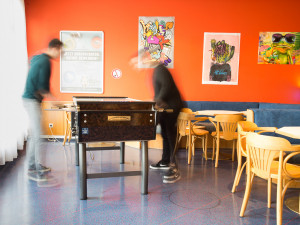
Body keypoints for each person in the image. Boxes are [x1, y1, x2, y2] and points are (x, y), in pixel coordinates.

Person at [130, 51, 185, 183]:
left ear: (147, 58)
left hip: (172, 107)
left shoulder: (160, 69)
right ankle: (165, 161)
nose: (137, 65)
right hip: (165, 107)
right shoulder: (157, 70)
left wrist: (157, 100)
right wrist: (156, 100)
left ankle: (175, 169)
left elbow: (166, 87)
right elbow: (161, 90)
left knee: (170, 136)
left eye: (137, 62)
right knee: (165, 135)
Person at [22, 38, 63, 183]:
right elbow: (43, 88)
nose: (60, 55)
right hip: (31, 101)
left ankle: (34, 165)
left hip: (30, 100)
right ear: (55, 48)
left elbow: (30, 60)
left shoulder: (38, 57)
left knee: (35, 134)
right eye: (60, 51)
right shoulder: (46, 61)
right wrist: (57, 103)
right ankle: (33, 170)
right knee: (38, 135)